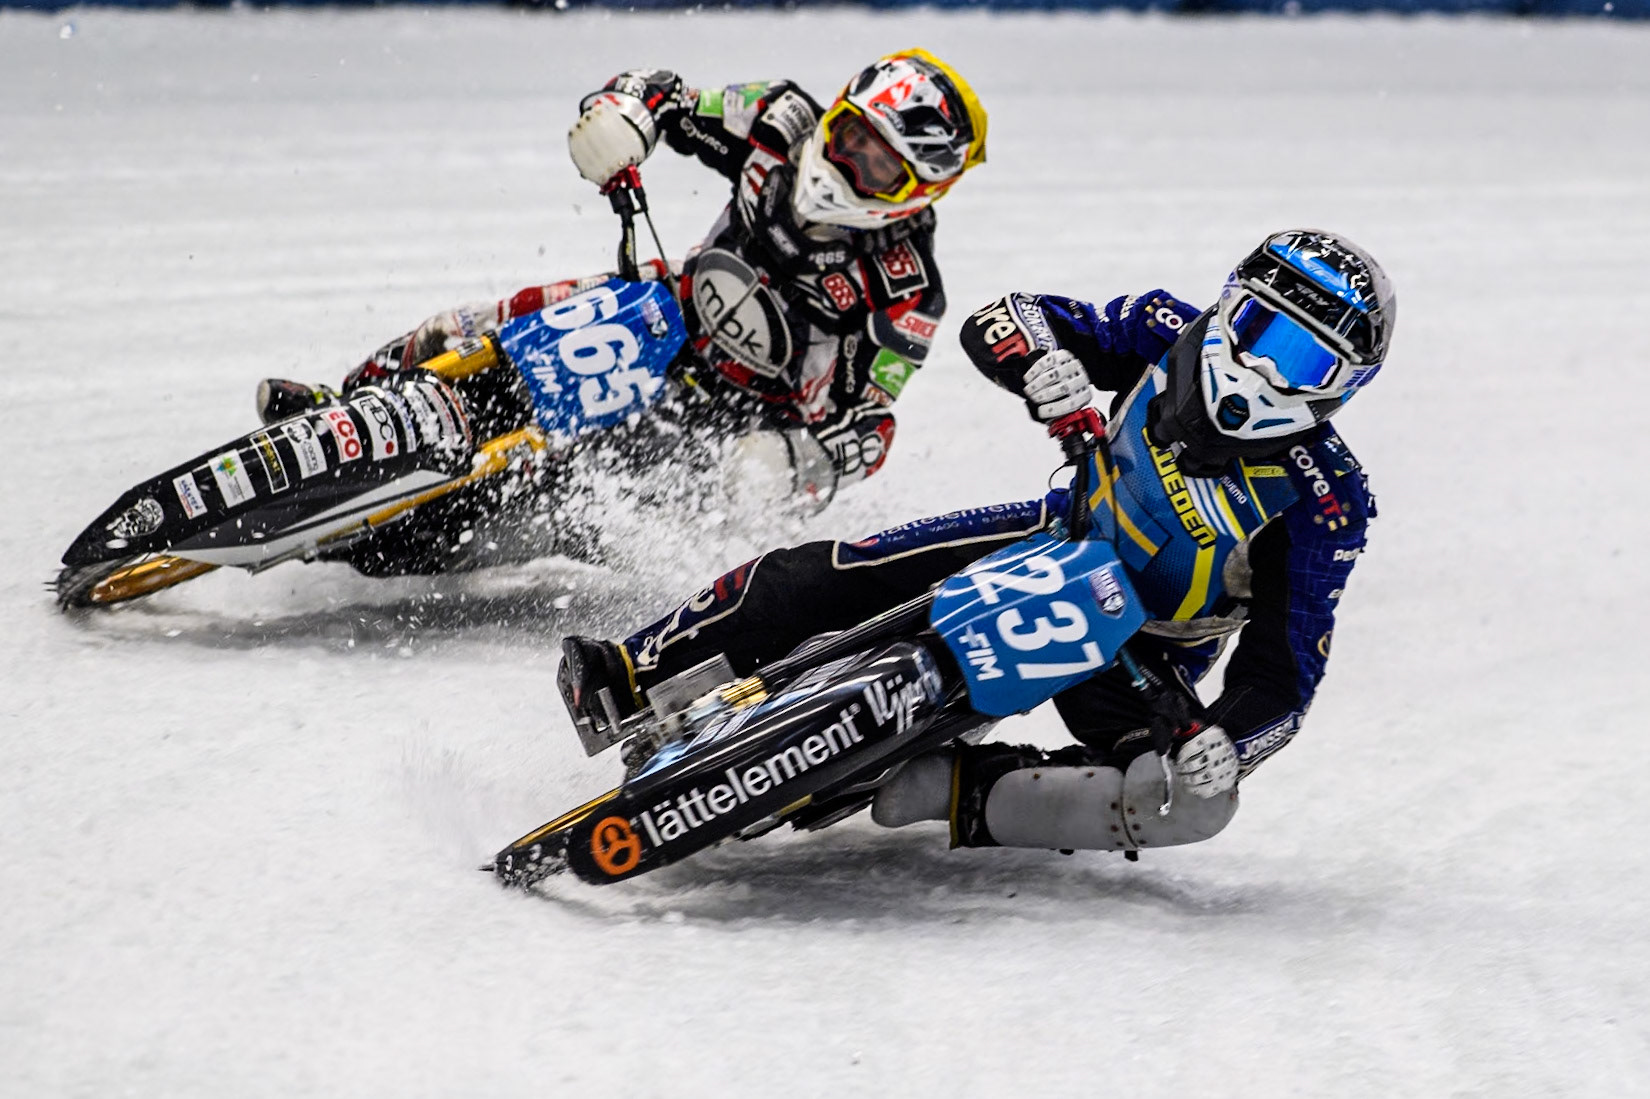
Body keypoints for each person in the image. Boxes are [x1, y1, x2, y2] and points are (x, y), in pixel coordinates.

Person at [559, 228, 1392, 854]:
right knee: (830, 575)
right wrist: (1037, 362)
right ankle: (632, 671)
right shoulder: (1164, 327)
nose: (1261, 369)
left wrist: (1228, 743)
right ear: (1227, 302)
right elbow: (1006, 317)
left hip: (1144, 649)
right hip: (1052, 535)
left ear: (1345, 388)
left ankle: (964, 790)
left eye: (1302, 362)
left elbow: (1284, 671)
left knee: (1185, 803)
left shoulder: (1327, 499)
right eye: (1256, 327)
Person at [253, 50, 987, 572]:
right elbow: (666, 96)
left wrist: (795, 464)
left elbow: (871, 425)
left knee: (539, 494)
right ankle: (342, 408)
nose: (850, 163)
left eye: (880, 163)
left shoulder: (908, 290)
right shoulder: (782, 118)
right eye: (852, 134)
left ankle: (385, 544)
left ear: (920, 187)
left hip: (729, 428)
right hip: (660, 311)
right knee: (463, 328)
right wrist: (624, 114)